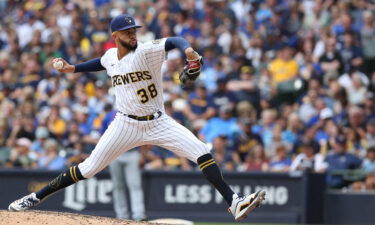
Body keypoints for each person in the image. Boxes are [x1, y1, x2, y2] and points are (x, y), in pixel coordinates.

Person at [8, 14, 265, 221]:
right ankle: (35, 197)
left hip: (158, 121)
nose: (133, 35)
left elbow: (174, 40)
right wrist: (73, 68)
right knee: (88, 169)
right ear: (115, 36)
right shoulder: (111, 56)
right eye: (128, 32)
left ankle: (234, 202)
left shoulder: (146, 51)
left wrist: (188, 51)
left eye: (135, 31)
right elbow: (101, 62)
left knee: (202, 151)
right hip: (126, 123)